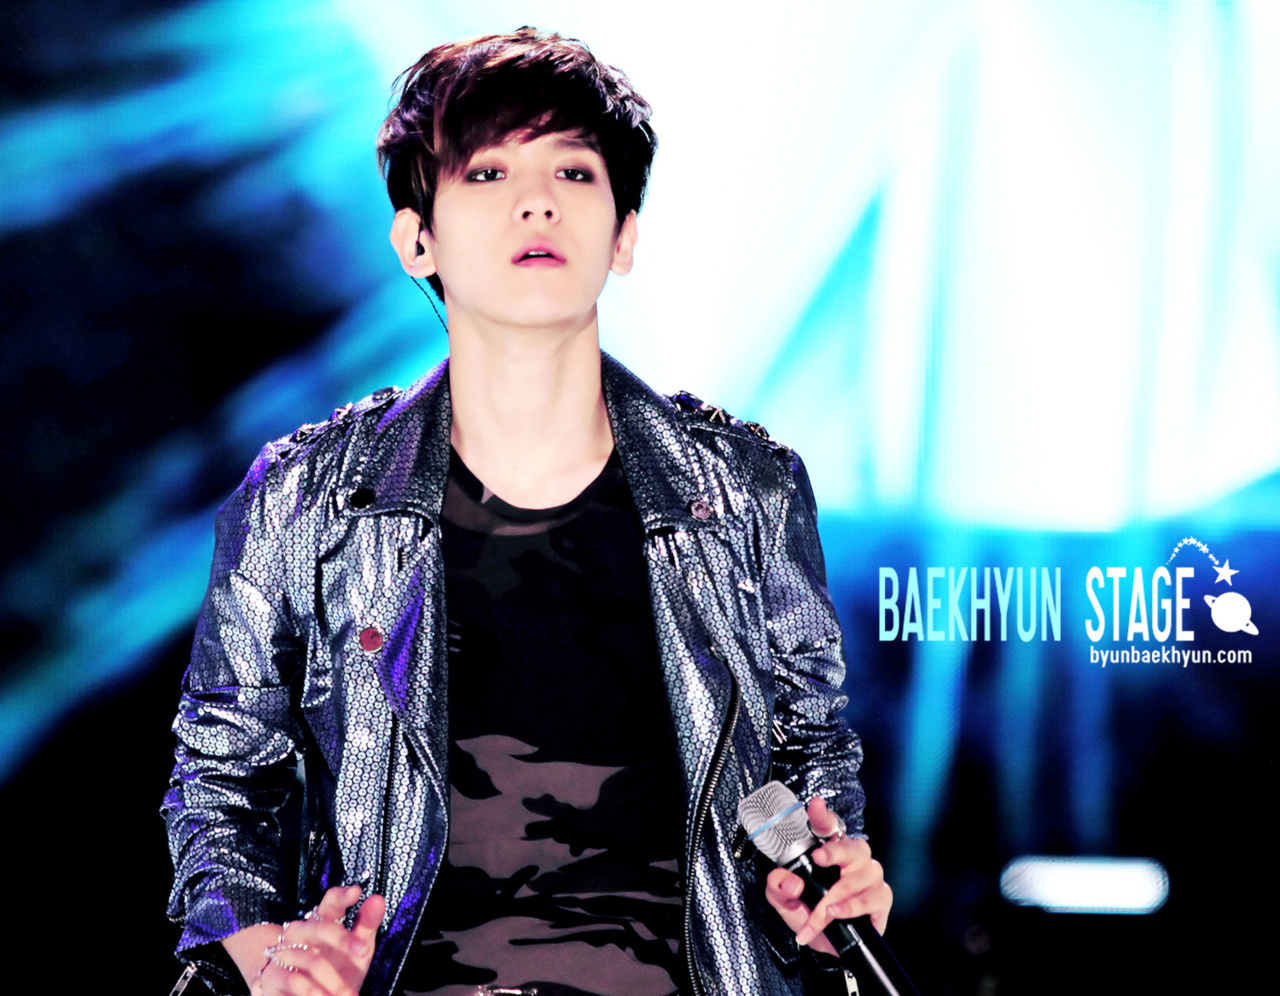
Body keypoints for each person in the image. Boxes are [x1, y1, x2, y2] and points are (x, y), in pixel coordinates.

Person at [163, 27, 891, 996]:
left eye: (574, 172)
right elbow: (222, 778)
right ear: (416, 239)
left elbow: (810, 753)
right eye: (488, 172)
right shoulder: (305, 502)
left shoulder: (746, 493)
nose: (537, 200)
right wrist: (267, 956)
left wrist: (826, 888)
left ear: (624, 234)